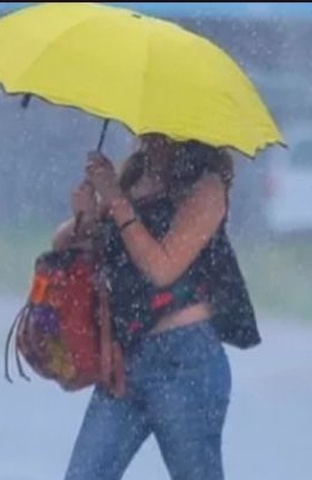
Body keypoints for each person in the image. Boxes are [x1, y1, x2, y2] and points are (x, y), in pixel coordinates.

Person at [52, 133, 261, 480]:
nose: (150, 135)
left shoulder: (206, 187)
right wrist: (85, 217)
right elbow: (62, 244)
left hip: (184, 361)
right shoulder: (134, 177)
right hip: (127, 359)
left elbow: (161, 267)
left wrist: (116, 200)